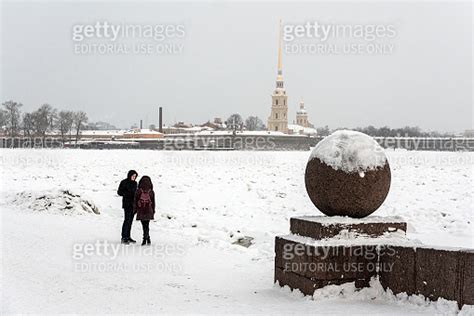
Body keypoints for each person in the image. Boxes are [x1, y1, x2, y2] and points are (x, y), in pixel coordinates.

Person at [117, 170, 138, 244]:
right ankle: (124, 237)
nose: (134, 177)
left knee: (130, 221)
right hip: (127, 204)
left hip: (133, 205)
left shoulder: (135, 183)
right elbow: (119, 192)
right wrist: (126, 194)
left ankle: (128, 236)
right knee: (127, 220)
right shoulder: (124, 182)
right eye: (133, 176)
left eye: (135, 176)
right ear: (129, 175)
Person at [133, 176, 155, 246]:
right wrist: (153, 210)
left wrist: (135, 210)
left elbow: (135, 201)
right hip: (148, 210)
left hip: (141, 210)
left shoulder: (138, 191)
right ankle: (147, 238)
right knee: (147, 225)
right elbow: (153, 202)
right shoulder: (151, 191)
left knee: (143, 225)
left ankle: (145, 239)